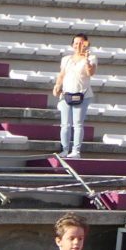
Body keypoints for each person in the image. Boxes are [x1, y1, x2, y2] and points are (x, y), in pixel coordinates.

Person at [50, 31, 97, 159]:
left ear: (86, 44)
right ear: (72, 45)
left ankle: (76, 150)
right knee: (65, 124)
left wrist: (86, 60)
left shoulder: (91, 58)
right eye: (76, 43)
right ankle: (65, 149)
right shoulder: (66, 59)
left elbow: (91, 72)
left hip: (82, 94)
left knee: (78, 124)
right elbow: (62, 74)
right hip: (66, 94)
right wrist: (57, 85)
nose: (78, 46)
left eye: (81, 43)